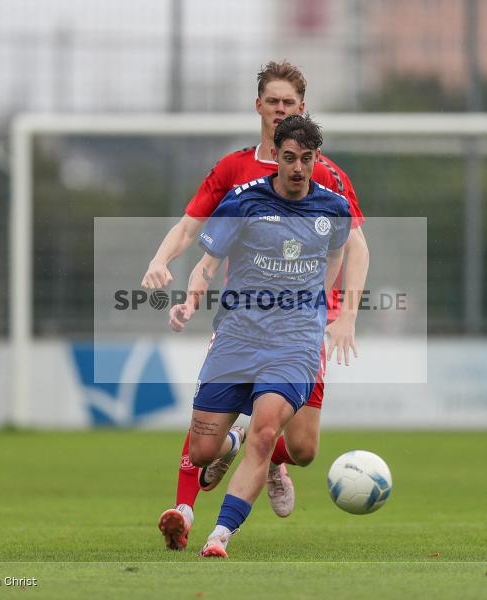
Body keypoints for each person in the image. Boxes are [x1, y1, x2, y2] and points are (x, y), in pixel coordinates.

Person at [145, 61, 369, 551]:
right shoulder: (235, 172)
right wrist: (162, 263)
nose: (280, 109)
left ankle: (265, 455)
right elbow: (191, 228)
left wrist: (342, 312)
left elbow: (353, 244)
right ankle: (187, 507)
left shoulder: (327, 176)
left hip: (302, 328)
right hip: (242, 320)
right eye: (273, 101)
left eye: (289, 103)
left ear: (302, 109)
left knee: (305, 448)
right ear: (259, 106)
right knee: (212, 434)